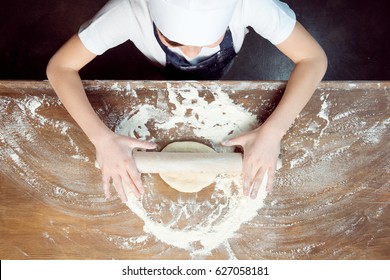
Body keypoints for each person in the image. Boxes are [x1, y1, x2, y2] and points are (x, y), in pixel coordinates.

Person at [46, 0, 327, 202]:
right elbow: (60, 68)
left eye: (210, 40)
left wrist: (274, 131)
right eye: (174, 42)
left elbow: (313, 59)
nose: (193, 52)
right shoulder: (127, 11)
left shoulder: (253, 4)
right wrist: (101, 139)